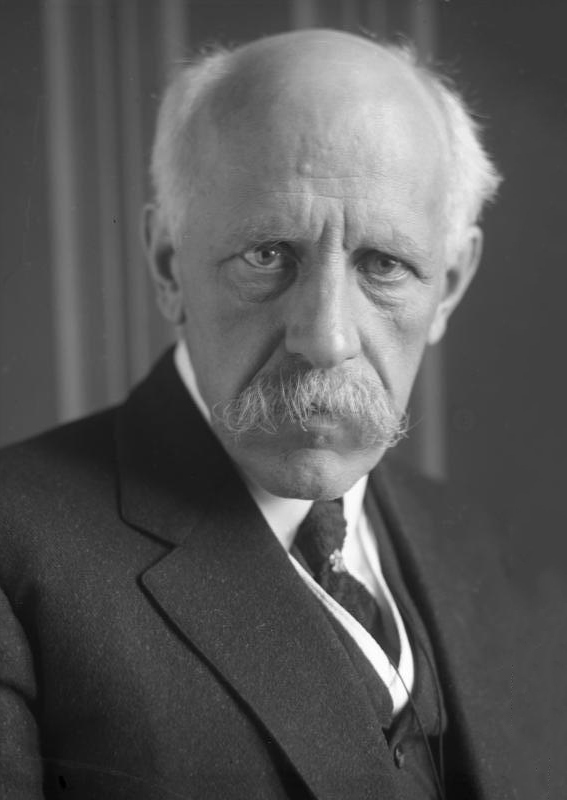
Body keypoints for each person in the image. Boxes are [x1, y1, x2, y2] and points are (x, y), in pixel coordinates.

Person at [0, 28, 561, 800]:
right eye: (267, 255)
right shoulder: (14, 553)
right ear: (168, 264)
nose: (325, 339)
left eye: (384, 265)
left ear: (450, 284)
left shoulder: (488, 559)